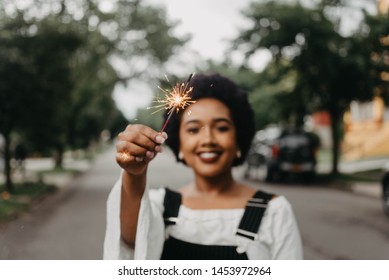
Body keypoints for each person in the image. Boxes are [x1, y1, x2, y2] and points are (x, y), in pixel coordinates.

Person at [104, 73, 303, 260]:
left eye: (222, 128)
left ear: (238, 140)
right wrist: (134, 174)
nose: (208, 139)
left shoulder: (275, 212)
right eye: (193, 129)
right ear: (178, 143)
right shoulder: (161, 205)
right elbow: (133, 240)